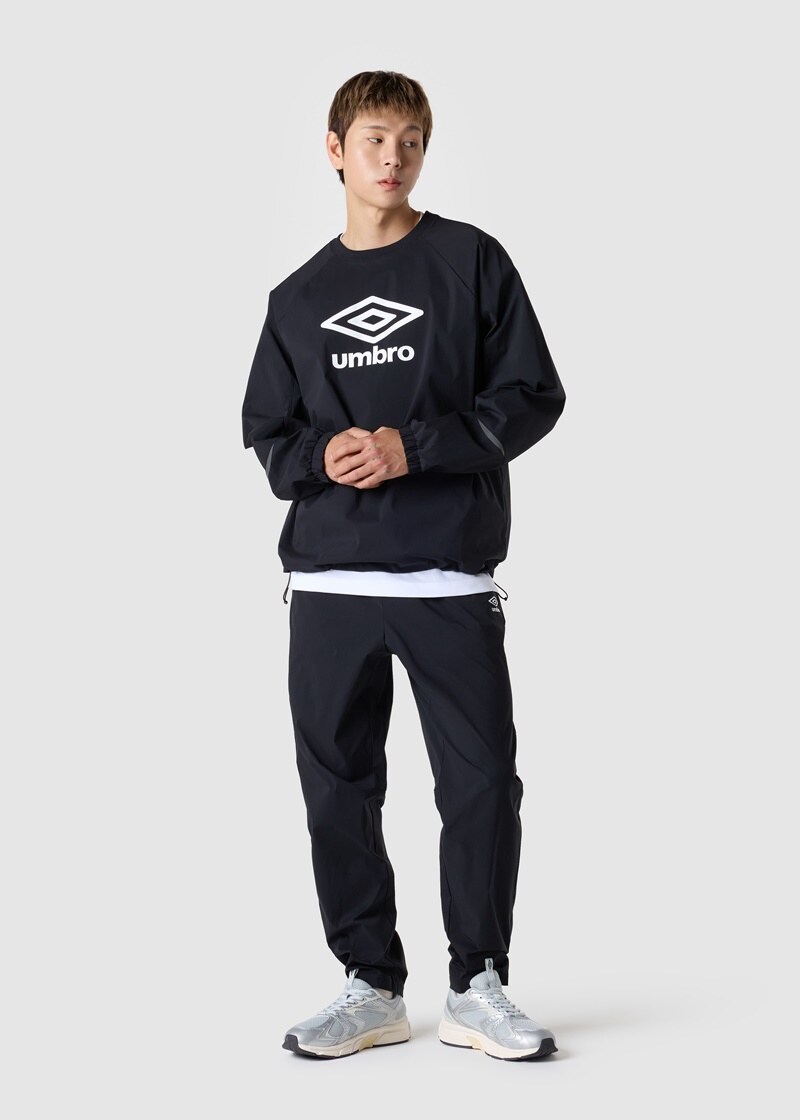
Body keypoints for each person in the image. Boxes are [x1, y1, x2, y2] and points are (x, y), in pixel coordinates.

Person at [241, 70, 566, 1062]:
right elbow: (268, 435)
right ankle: (370, 985)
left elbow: (532, 395)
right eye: (375, 139)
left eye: (411, 140)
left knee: (481, 785)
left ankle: (476, 984)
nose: (393, 158)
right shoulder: (297, 297)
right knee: (338, 789)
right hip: (330, 583)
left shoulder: (470, 261)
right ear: (335, 150)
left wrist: (411, 447)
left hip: (446, 576)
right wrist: (321, 455)